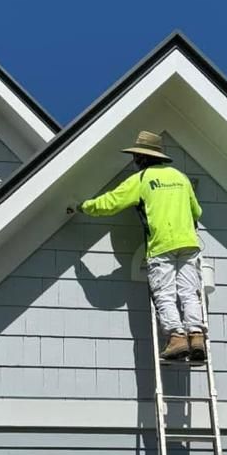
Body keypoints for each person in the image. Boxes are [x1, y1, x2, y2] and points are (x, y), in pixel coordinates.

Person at [75, 129, 205, 363]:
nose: (134, 161)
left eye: (136, 157)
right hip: (189, 243)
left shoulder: (142, 179)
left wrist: (85, 207)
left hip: (161, 245)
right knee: (189, 293)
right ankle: (196, 337)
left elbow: (111, 202)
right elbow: (197, 211)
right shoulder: (180, 177)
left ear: (144, 158)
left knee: (165, 294)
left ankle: (176, 339)